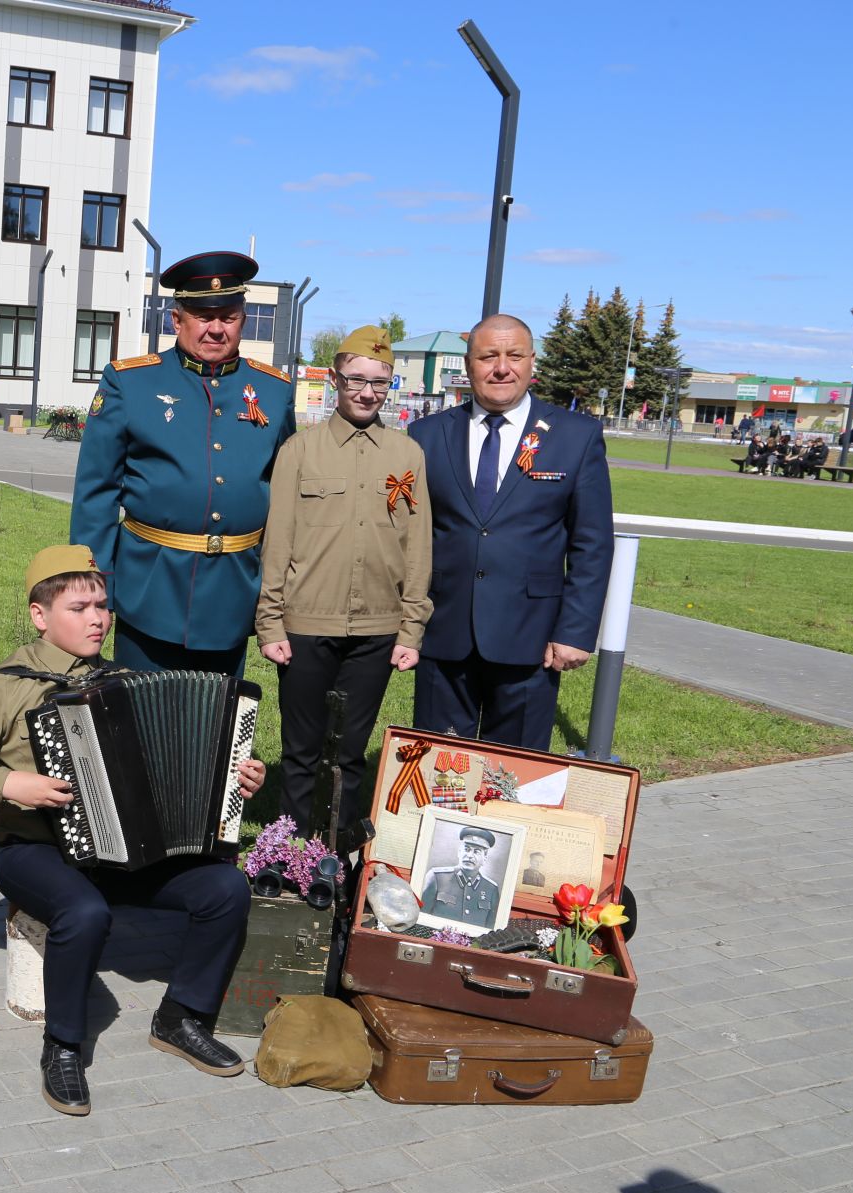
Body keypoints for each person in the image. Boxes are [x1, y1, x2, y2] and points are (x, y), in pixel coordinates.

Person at [0, 545, 266, 1117]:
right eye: (79, 607)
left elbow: (180, 762)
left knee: (224, 890)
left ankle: (181, 1017)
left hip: (122, 856)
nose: (98, 619)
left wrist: (235, 774)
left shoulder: (123, 680)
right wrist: (12, 785)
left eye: (102, 606)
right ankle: (62, 1046)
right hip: (29, 849)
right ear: (39, 616)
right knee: (83, 913)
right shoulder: (5, 686)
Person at [70, 250, 294, 676]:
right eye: (202, 316)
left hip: (233, 590)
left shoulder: (272, 390)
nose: (215, 328)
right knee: (141, 719)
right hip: (149, 588)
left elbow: (284, 494)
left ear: (242, 320)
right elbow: (96, 495)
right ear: (177, 321)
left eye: (227, 317)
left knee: (214, 725)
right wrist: (96, 592)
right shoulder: (131, 382)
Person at [406, 315, 612, 751]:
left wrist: (575, 631)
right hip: (444, 635)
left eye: (514, 355)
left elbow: (591, 543)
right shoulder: (426, 435)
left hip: (531, 640)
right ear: (469, 364)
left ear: (532, 361)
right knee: (438, 766)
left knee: (513, 776)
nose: (502, 368)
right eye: (488, 356)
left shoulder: (576, 437)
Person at [256, 326, 431, 838]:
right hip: (306, 624)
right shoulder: (300, 451)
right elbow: (278, 542)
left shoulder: (406, 456)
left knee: (351, 753)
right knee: (302, 751)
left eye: (379, 383)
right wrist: (270, 624)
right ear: (335, 380)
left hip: (377, 628)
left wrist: (411, 629)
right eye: (356, 379)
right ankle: (289, 855)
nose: (366, 392)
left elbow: (417, 548)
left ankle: (338, 854)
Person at [421, 827, 502, 928]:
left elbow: (490, 928)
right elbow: (421, 918)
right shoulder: (436, 877)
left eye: (476, 852)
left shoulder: (491, 889)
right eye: (466, 849)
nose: (469, 855)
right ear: (459, 852)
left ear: (484, 858)